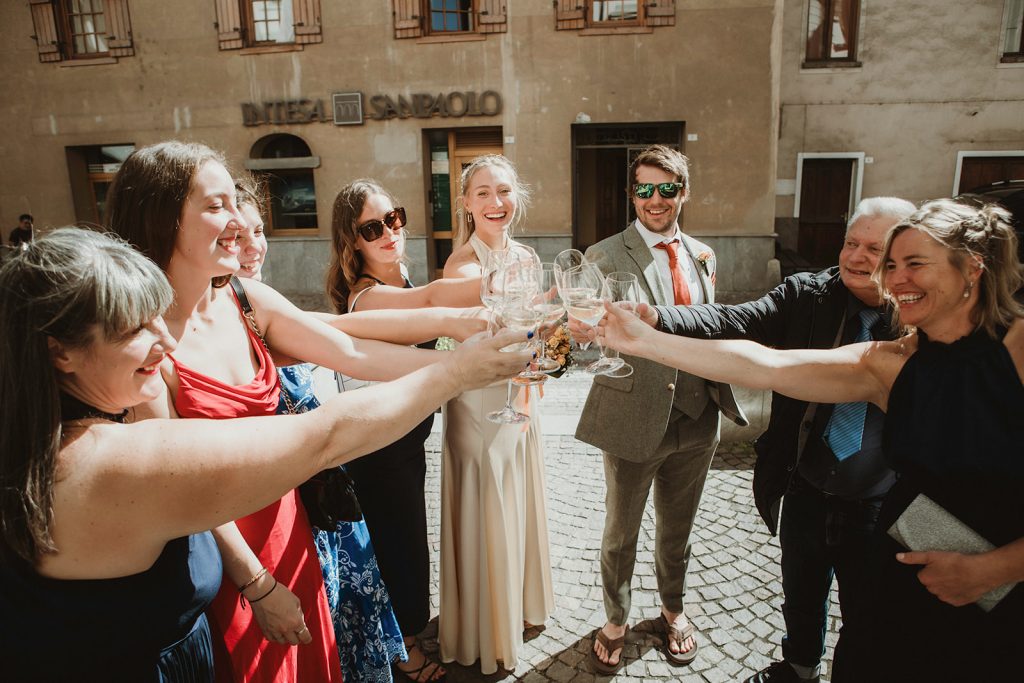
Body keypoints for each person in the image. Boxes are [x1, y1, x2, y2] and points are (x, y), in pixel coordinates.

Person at [0, 227, 530, 682]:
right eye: (134, 328)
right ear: (60, 353)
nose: (164, 341)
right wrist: (457, 372)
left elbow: (341, 338)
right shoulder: (97, 463)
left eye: (158, 317)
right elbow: (325, 436)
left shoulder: (49, 437)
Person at [597, 198, 1024, 682]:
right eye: (893, 263)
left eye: (913, 263)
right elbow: (763, 364)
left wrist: (994, 570)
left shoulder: (1019, 349)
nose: (895, 277)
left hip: (996, 587)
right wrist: (642, 338)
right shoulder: (891, 361)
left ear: (972, 268)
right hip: (908, 563)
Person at [105, 141, 467, 682]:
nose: (236, 220)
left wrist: (473, 341)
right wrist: (258, 585)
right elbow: (182, 493)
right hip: (223, 559)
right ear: (161, 218)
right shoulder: (143, 344)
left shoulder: (244, 300)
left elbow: (349, 348)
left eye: (236, 203)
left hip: (287, 525)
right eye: (215, 206)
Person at [642, 197, 915, 683]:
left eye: (873, 249)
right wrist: (658, 319)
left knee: (869, 616)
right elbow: (736, 321)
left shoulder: (918, 325)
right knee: (801, 595)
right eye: (851, 242)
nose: (855, 257)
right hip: (806, 486)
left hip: (883, 503)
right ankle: (798, 667)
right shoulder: (808, 294)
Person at [575, 144, 746, 673]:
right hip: (634, 415)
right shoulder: (603, 254)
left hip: (699, 418)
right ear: (632, 195)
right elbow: (585, 339)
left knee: (678, 530)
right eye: (645, 189)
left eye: (666, 189)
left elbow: (712, 324)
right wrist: (584, 333)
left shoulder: (704, 256)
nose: (655, 199)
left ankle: (673, 609)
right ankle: (616, 620)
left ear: (683, 193)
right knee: (620, 532)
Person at [235, 178, 408, 683]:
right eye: (236, 236)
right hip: (287, 523)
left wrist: (464, 340)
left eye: (259, 231)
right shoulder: (225, 328)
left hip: (331, 508)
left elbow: (350, 344)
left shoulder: (264, 307)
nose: (252, 248)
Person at [325, 178, 485, 682]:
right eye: (372, 228)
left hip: (404, 440)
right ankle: (406, 650)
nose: (389, 232)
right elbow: (439, 300)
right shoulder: (368, 299)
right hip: (380, 448)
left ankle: (404, 634)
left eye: (393, 218)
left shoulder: (398, 283)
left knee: (407, 541)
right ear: (353, 242)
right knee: (401, 546)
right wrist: (520, 280)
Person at [439, 154, 554, 675]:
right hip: (481, 404)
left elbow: (540, 336)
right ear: (465, 204)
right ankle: (487, 629)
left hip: (519, 397)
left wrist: (553, 347)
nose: (495, 202)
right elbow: (483, 331)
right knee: (487, 500)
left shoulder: (528, 258)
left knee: (517, 494)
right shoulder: (462, 268)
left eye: (504, 191)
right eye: (482, 193)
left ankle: (523, 604)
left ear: (517, 198)